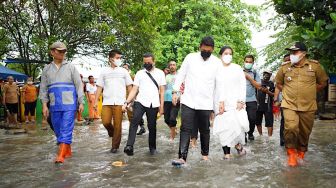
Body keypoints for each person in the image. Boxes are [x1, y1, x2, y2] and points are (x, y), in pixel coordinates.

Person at [171, 36, 223, 166]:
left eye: (209, 51)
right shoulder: (190, 58)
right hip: (188, 100)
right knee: (185, 128)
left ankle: (205, 155)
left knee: (204, 129)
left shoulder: (216, 63)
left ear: (213, 50)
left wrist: (217, 107)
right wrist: (175, 91)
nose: (206, 53)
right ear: (200, 47)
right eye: (204, 50)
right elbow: (181, 74)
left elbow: (218, 86)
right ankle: (182, 157)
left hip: (206, 103)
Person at [275, 42, 328, 167]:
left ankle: (301, 152)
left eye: (295, 52)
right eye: (291, 52)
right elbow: (278, 83)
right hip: (289, 104)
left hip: (308, 105)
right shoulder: (284, 67)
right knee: (290, 128)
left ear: (304, 53)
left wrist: (309, 91)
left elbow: (323, 83)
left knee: (305, 132)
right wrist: (288, 92)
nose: (292, 54)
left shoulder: (314, 67)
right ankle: (291, 152)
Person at [39, 41, 84, 163]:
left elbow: (79, 85)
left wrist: (81, 102)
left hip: (70, 104)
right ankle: (67, 149)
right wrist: (44, 105)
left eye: (64, 51)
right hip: (54, 104)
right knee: (58, 128)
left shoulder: (71, 67)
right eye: (60, 51)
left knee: (66, 128)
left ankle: (61, 155)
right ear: (52, 52)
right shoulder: (47, 69)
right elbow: (43, 88)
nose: (62, 53)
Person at [123, 53, 166, 156]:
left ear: (154, 62)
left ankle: (152, 148)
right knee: (134, 121)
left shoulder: (160, 73)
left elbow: (162, 92)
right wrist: (127, 102)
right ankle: (129, 146)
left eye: (149, 62)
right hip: (140, 102)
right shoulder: (139, 73)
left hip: (153, 103)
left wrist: (161, 106)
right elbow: (134, 89)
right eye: (145, 63)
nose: (147, 64)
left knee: (152, 126)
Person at [213, 46, 248, 159]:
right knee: (223, 128)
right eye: (225, 53)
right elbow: (213, 87)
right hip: (220, 103)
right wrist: (216, 104)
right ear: (220, 55)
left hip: (235, 103)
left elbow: (243, 85)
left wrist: (241, 100)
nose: (228, 55)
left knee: (235, 127)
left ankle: (238, 146)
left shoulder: (237, 68)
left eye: (230, 53)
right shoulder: (216, 69)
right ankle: (226, 154)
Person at [94, 50, 133, 153]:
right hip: (106, 102)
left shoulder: (123, 71)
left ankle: (115, 147)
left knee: (118, 125)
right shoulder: (104, 71)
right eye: (118, 58)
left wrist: (130, 101)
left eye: (120, 58)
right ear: (111, 59)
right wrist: (95, 101)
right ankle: (111, 132)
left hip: (120, 102)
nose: (119, 60)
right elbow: (99, 87)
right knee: (106, 122)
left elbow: (129, 86)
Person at [122, 62, 146, 135]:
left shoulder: (132, 77)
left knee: (133, 114)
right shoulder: (119, 77)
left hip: (130, 97)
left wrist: (135, 97)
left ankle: (139, 128)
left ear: (128, 69)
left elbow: (136, 88)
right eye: (123, 68)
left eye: (126, 68)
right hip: (121, 98)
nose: (125, 69)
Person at [243, 55, 261, 141]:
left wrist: (249, 78)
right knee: (242, 119)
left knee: (252, 118)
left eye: (250, 62)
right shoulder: (238, 71)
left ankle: (250, 133)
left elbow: (258, 86)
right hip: (240, 101)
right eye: (246, 61)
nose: (248, 63)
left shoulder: (255, 73)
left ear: (253, 63)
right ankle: (243, 135)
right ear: (244, 62)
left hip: (252, 99)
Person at [274, 54, 290, 146]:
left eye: (288, 60)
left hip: (298, 102)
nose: (287, 62)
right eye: (285, 60)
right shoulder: (282, 72)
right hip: (285, 101)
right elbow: (277, 86)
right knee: (284, 120)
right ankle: (283, 140)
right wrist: (276, 99)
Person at [255, 70, 275, 136]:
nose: (266, 75)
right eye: (265, 73)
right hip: (258, 106)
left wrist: (268, 92)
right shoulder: (258, 82)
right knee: (258, 122)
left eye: (268, 74)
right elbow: (254, 93)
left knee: (270, 123)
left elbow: (275, 95)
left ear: (270, 75)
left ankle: (270, 138)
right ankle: (261, 135)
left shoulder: (271, 84)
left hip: (268, 106)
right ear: (263, 74)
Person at [164, 60, 180, 140]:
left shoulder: (179, 76)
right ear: (169, 66)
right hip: (166, 99)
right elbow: (163, 88)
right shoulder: (166, 76)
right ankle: (174, 129)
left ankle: (172, 137)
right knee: (166, 119)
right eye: (170, 65)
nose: (172, 66)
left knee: (172, 118)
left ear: (176, 66)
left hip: (176, 99)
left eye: (174, 65)